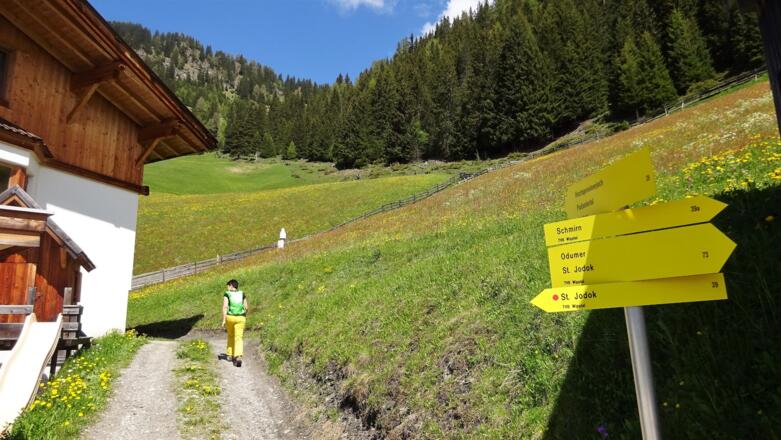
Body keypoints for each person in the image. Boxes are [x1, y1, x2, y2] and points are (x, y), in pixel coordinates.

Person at [219, 279, 248, 367]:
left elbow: (225, 307)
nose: (227, 288)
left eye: (228, 286)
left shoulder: (227, 294)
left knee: (231, 335)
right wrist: (243, 316)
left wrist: (224, 320)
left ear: (231, 285)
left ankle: (229, 355)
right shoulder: (242, 294)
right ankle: (238, 356)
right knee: (238, 338)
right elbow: (246, 307)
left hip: (230, 318)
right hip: (241, 318)